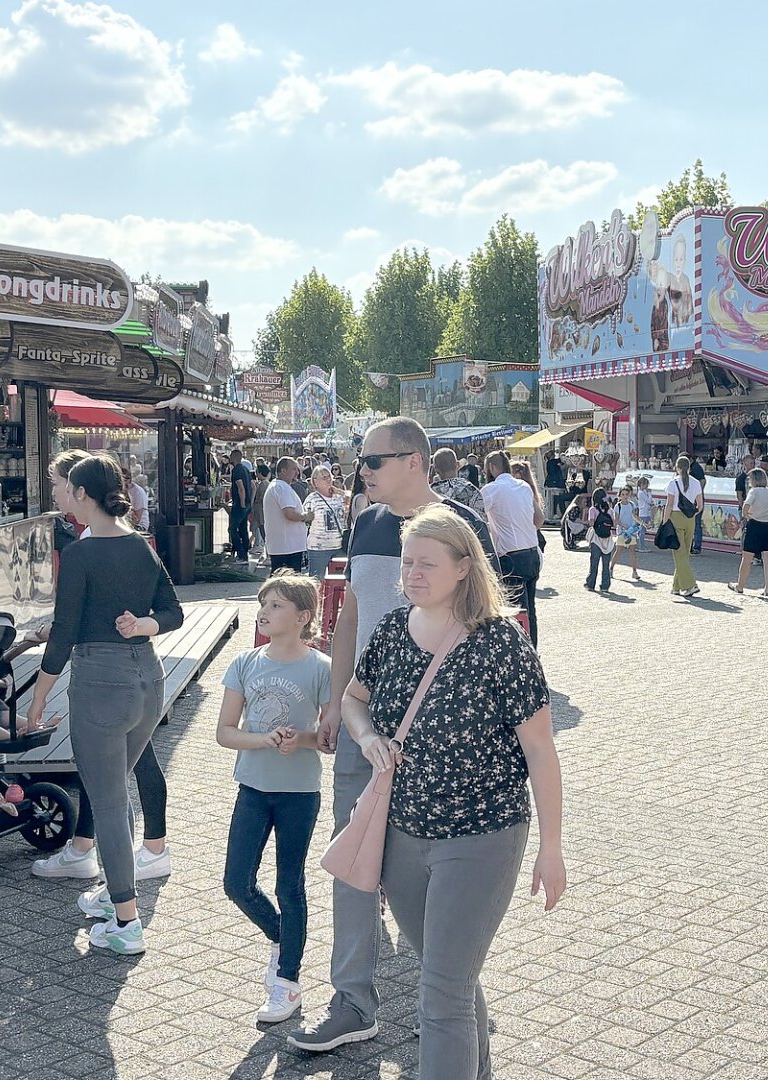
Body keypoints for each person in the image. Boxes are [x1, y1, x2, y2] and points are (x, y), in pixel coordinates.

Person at [289, 416, 498, 1055]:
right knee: (353, 856)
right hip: (365, 720)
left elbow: (488, 625)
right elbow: (351, 612)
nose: (363, 472)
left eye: (372, 461)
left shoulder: (462, 527)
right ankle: (353, 999)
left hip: (439, 735)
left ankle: (459, 1007)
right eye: (361, 462)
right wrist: (335, 698)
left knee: (435, 876)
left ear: (412, 460)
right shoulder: (368, 523)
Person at [333, 505, 565, 1079]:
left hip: (482, 836)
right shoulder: (391, 631)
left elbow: (540, 750)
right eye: (406, 561)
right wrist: (366, 738)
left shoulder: (501, 646)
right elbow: (353, 700)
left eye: (426, 563)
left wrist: (552, 847)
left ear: (465, 568)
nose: (411, 573)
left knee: (440, 994)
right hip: (403, 836)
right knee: (449, 978)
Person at [27, 454, 183, 955]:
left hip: (100, 683)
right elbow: (173, 612)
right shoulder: (141, 546)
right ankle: (116, 895)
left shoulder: (79, 554)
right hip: (147, 679)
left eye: (63, 488)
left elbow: (64, 634)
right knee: (116, 793)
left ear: (81, 494)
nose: (58, 495)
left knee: (111, 802)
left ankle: (126, 920)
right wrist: (143, 626)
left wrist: (39, 695)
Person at [218, 573, 329, 1024]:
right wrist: (264, 741)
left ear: (303, 618)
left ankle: (287, 982)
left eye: (277, 605)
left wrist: (297, 738)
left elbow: (328, 738)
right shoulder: (245, 662)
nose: (265, 611)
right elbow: (225, 732)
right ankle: (284, 935)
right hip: (252, 788)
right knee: (236, 883)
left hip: (299, 794)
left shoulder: (320, 667)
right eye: (264, 603)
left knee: (290, 885)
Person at [481, 450, 545, 647]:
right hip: (532, 553)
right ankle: (532, 650)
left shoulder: (491, 490)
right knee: (530, 611)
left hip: (511, 557)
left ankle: (519, 653)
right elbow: (539, 519)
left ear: (491, 468)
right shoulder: (524, 486)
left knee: (515, 611)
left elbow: (475, 515)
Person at [730, 467, 768, 597]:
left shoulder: (753, 492)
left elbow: (745, 506)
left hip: (754, 525)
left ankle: (740, 585)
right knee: (767, 559)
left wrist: (746, 515)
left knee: (747, 558)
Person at [665, 455, 703, 597]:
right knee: (684, 553)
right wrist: (692, 514)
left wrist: (665, 520)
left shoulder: (673, 483)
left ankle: (690, 585)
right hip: (690, 518)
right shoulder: (696, 483)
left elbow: (669, 505)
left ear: (677, 467)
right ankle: (676, 586)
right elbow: (700, 505)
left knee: (679, 553)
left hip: (676, 517)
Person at [263, 458, 310, 573]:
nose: (297, 472)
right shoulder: (281, 487)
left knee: (282, 583)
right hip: (287, 547)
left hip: (285, 546)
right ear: (283, 471)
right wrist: (306, 516)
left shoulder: (278, 486)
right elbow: (289, 514)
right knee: (288, 584)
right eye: (294, 469)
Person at [301, 465, 346, 581]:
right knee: (316, 582)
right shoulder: (312, 499)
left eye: (329, 476)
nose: (327, 479)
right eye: (323, 477)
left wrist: (339, 491)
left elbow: (354, 499)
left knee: (340, 582)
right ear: (315, 482)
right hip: (318, 548)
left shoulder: (338, 497)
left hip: (339, 545)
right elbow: (305, 518)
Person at [429, 448, 485, 519]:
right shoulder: (472, 491)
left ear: (436, 469)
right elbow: (482, 521)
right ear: (457, 465)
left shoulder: (429, 493)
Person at [585, 488, 615, 593]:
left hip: (596, 539)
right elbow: (614, 524)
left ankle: (591, 584)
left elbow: (591, 523)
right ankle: (605, 586)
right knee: (606, 564)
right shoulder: (610, 511)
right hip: (608, 539)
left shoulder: (592, 510)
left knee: (594, 562)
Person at [610, 485, 643, 581]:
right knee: (619, 550)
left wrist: (643, 524)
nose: (625, 496)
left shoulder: (632, 504)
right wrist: (623, 526)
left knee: (633, 551)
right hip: (622, 533)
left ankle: (634, 571)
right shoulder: (618, 506)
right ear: (619, 495)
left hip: (631, 531)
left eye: (626, 494)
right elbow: (616, 520)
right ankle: (611, 568)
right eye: (623, 494)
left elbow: (635, 516)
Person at [228, 448, 253, 562]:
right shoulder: (245, 469)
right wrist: (250, 502)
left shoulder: (236, 470)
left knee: (232, 529)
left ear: (234, 457)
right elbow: (253, 486)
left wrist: (242, 503)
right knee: (243, 529)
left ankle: (241, 554)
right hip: (247, 503)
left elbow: (241, 488)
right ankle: (245, 553)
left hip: (239, 504)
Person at [250, 461, 271, 557]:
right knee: (263, 533)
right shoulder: (264, 483)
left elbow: (261, 498)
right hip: (261, 512)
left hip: (261, 513)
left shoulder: (264, 484)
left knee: (264, 533)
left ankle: (268, 554)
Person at [688, 456, 707, 554]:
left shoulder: (696, 467)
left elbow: (703, 481)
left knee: (696, 524)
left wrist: (697, 493)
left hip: (695, 500)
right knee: (690, 524)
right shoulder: (688, 468)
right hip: (689, 500)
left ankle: (697, 546)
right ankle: (689, 546)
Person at [544, 451, 566, 521]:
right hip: (554, 483)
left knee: (555, 498)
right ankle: (554, 513)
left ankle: (555, 513)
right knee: (555, 498)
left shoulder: (551, 464)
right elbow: (559, 461)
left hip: (553, 483)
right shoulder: (551, 462)